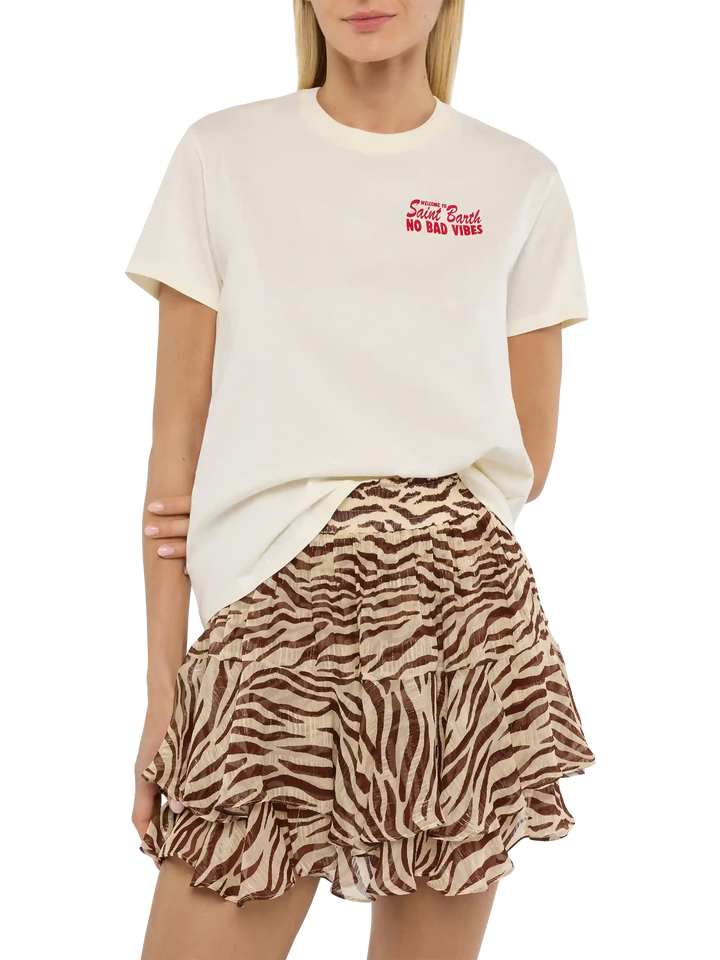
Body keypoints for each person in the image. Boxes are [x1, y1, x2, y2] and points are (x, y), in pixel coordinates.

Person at [125, 3, 599, 958]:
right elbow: (175, 445)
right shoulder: (221, 152)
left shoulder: (519, 178)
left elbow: (530, 455)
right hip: (272, 611)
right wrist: (164, 687)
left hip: (458, 618)